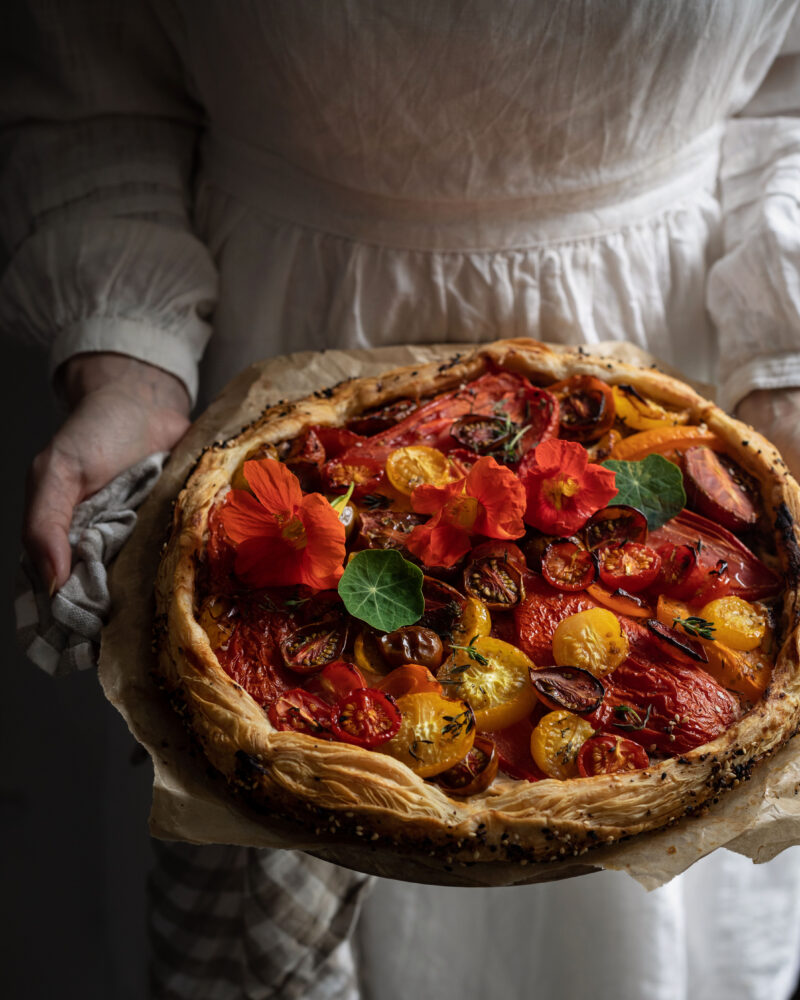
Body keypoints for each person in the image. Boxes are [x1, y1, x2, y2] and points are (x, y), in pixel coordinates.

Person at [5, 2, 800, 998]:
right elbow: (94, 86)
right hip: (274, 322)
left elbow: (788, 94)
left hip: (678, 334)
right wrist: (129, 363)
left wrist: (782, 370)